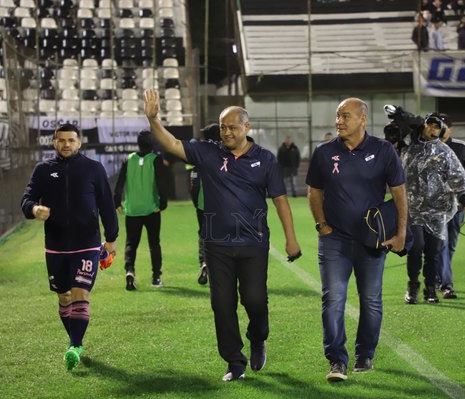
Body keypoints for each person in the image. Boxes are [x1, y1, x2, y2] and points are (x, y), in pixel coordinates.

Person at [143, 88, 301, 382]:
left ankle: (257, 337)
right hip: (216, 244)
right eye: (223, 127)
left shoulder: (265, 159)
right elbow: (174, 144)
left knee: (254, 300)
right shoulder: (208, 152)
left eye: (232, 127)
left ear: (247, 127)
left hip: (253, 243)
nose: (226, 132)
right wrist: (154, 121)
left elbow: (280, 199)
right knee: (221, 304)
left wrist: (291, 238)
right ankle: (234, 361)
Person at [306, 98, 408, 382]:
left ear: (363, 119)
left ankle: (365, 354)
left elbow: (399, 192)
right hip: (334, 240)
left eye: (346, 116)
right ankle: (336, 360)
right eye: (338, 116)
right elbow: (314, 192)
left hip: (371, 241)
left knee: (371, 300)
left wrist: (400, 233)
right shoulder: (324, 152)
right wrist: (321, 225)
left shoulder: (383, 150)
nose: (339, 121)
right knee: (333, 299)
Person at [21, 123, 119, 371]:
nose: (66, 144)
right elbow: (27, 199)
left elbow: (107, 205)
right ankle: (75, 339)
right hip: (55, 246)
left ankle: (75, 345)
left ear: (79, 142)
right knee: (64, 297)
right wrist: (34, 209)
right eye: (61, 140)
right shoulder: (43, 170)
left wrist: (111, 239)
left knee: (80, 293)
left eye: (71, 140)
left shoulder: (94, 169)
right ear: (54, 142)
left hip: (86, 244)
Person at [401, 113, 465, 305]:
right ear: (423, 126)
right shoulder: (409, 148)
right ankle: (413, 284)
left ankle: (430, 289)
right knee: (415, 248)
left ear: (440, 130)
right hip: (413, 210)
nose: (432, 129)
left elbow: (458, 177)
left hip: (437, 212)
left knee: (433, 252)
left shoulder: (445, 151)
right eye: (429, 125)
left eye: (436, 127)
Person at [114, 130, 170, 290]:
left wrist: (117, 201)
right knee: (154, 243)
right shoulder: (156, 159)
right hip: (152, 209)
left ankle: (130, 271)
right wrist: (163, 202)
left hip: (132, 210)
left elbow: (120, 182)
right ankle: (156, 277)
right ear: (153, 143)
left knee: (131, 243)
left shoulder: (128, 159)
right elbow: (161, 183)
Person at [438, 114, 465, 299]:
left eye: (443, 126)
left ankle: (440, 276)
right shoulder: (427, 147)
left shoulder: (461, 147)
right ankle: (447, 284)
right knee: (442, 244)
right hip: (436, 208)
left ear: (451, 128)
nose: (440, 129)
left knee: (451, 246)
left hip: (459, 206)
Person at [187, 123, 222, 285]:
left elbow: (194, 181)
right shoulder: (226, 153)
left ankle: (205, 262)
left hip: (203, 202)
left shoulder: (200, 154)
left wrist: (195, 201)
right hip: (223, 203)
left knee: (204, 234)